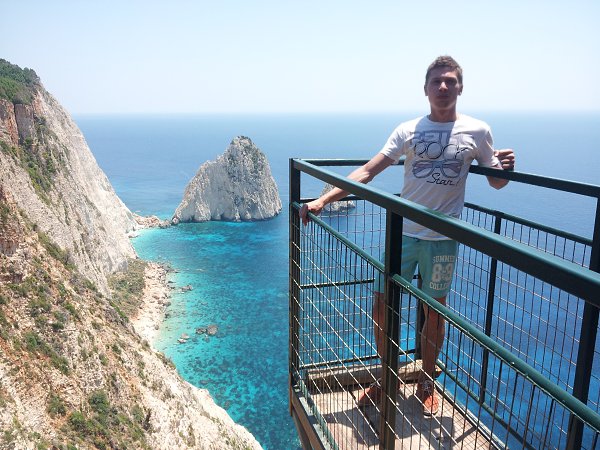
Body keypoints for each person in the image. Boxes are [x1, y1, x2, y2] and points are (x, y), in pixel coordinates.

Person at [299, 55, 515, 416]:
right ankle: (387, 376)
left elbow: (496, 181)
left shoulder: (478, 131)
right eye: (436, 81)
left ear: (461, 87)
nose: (443, 87)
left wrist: (506, 169)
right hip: (403, 233)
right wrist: (323, 199)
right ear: (425, 89)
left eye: (450, 81)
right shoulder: (408, 130)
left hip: (442, 239)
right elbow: (368, 171)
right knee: (381, 306)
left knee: (435, 313)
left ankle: (427, 381)